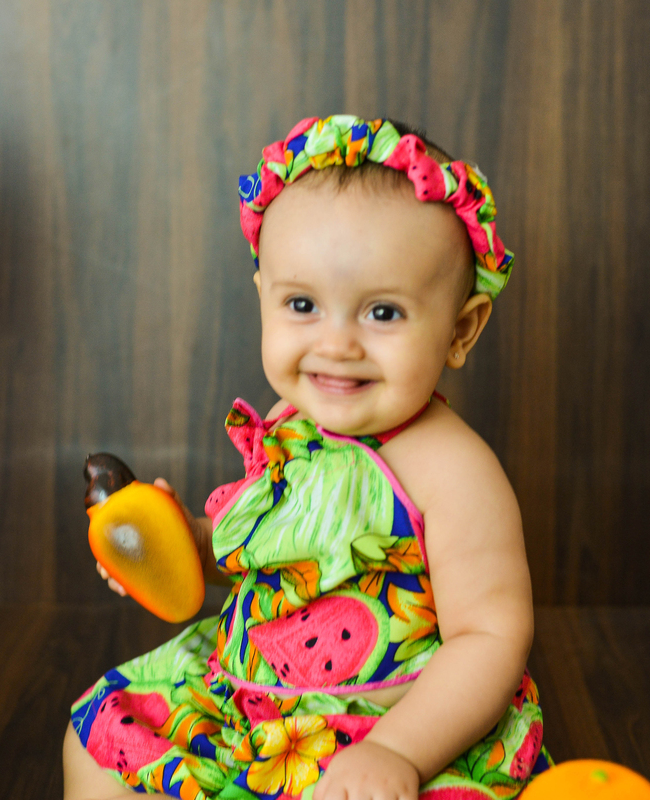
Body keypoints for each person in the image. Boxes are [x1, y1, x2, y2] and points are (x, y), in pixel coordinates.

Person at [64, 115, 549, 800]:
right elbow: (280, 562)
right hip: (249, 698)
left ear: (460, 329)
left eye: (382, 314)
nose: (337, 344)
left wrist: (397, 754)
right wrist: (180, 546)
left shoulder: (455, 472)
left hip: (392, 724)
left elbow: (492, 637)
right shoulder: (292, 431)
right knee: (96, 740)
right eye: (302, 304)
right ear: (262, 296)